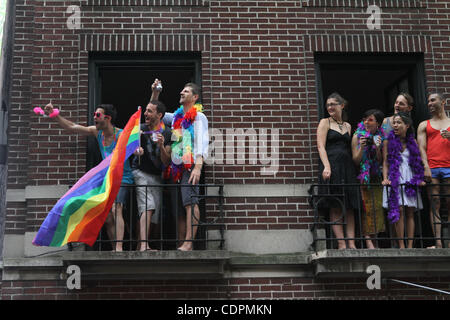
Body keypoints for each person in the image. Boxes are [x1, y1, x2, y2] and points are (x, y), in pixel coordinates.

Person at [43, 103, 134, 251]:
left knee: (116, 209)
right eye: (94, 115)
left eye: (97, 115)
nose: (94, 118)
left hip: (122, 178)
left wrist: (138, 150)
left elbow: (134, 145)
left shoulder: (121, 134)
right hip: (106, 180)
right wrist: (55, 114)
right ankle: (114, 247)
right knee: (108, 217)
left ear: (108, 118)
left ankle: (119, 248)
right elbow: (72, 127)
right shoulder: (97, 133)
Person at [153, 81, 209, 251]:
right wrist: (155, 93)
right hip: (176, 167)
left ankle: (189, 243)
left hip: (190, 165)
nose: (181, 92)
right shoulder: (176, 117)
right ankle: (181, 243)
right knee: (178, 208)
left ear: (195, 97)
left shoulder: (199, 117)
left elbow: (202, 143)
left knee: (190, 202)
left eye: (185, 91)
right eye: (182, 90)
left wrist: (198, 167)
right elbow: (156, 114)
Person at [317, 92, 358, 249]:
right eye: (327, 105)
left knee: (350, 206)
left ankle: (352, 243)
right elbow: (320, 145)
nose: (329, 107)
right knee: (336, 204)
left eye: (333, 104)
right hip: (332, 165)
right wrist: (327, 166)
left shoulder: (348, 126)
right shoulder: (325, 122)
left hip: (347, 167)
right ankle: (341, 243)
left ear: (342, 105)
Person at [131, 95, 172, 251]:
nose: (146, 114)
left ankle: (142, 244)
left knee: (153, 215)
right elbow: (127, 149)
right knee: (147, 206)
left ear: (159, 115)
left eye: (149, 111)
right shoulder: (140, 129)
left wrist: (161, 146)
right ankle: (143, 245)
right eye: (145, 111)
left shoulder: (168, 133)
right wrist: (136, 150)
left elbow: (167, 161)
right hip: (139, 171)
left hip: (157, 176)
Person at [382, 112, 425, 249]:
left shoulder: (413, 142)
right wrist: (384, 179)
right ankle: (401, 244)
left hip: (410, 178)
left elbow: (417, 162)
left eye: (398, 122)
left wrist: (420, 178)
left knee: (410, 211)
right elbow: (385, 162)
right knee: (398, 209)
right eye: (394, 122)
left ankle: (410, 245)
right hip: (395, 177)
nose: (395, 125)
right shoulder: (388, 141)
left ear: (407, 125)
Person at [417, 93, 450, 248]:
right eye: (428, 101)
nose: (429, 103)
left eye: (432, 100)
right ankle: (438, 243)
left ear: (443, 102)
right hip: (433, 167)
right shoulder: (424, 124)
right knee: (435, 203)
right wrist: (426, 167)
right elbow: (421, 148)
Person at [351, 109, 386, 249]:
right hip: (362, 177)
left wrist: (377, 148)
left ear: (378, 123)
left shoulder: (380, 136)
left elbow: (381, 160)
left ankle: (375, 238)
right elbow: (355, 160)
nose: (366, 122)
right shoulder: (357, 136)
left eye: (370, 120)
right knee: (366, 208)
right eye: (365, 119)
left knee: (377, 208)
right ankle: (368, 240)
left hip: (376, 177)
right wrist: (362, 147)